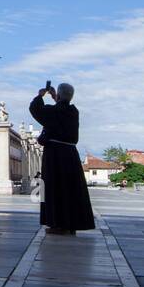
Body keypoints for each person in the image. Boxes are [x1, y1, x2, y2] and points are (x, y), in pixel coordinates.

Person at [29, 82, 95, 234]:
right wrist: (55, 97)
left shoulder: (53, 111)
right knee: (70, 189)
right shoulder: (73, 112)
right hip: (70, 154)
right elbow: (61, 108)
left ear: (58, 95)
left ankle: (57, 224)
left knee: (53, 189)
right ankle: (71, 224)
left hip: (54, 155)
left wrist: (40, 95)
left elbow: (36, 109)